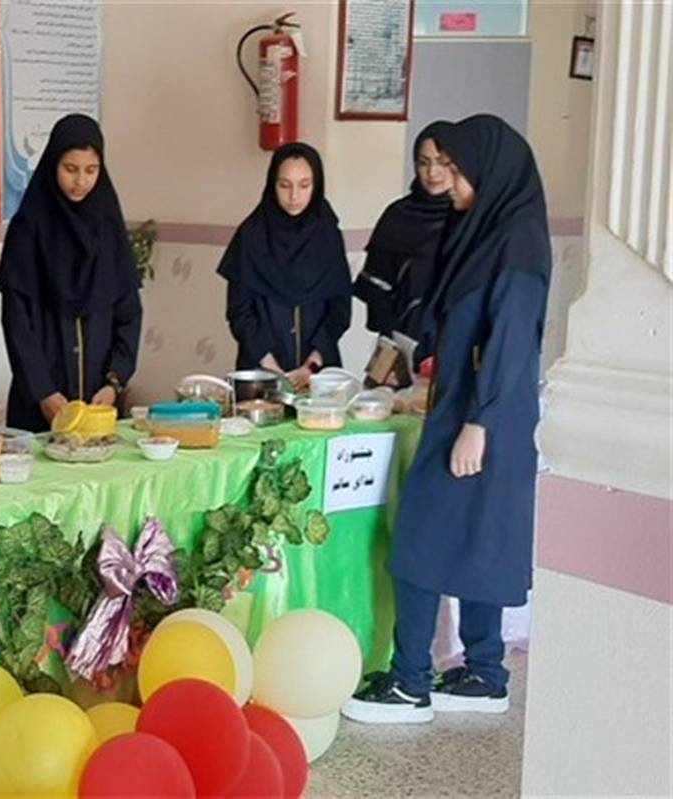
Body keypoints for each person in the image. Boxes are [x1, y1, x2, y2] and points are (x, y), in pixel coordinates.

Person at [342, 114, 552, 724]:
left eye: (458, 172)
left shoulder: (516, 242)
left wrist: (477, 425)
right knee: (479, 541)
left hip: (483, 419)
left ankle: (410, 683)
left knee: (419, 539)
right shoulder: (488, 231)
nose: (448, 183)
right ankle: (485, 673)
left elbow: (510, 340)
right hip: (470, 409)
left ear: (490, 172)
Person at [0, 113, 142, 432]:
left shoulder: (109, 231)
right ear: (53, 165)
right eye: (70, 169)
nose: (81, 181)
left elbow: (129, 313)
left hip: (99, 402)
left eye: (91, 170)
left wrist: (115, 381)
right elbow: (16, 322)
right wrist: (44, 392)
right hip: (40, 404)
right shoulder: (28, 230)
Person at [218, 142, 351, 390]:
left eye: (304, 185)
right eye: (284, 185)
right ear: (272, 184)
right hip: (260, 372)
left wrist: (311, 366)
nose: (294, 196)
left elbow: (340, 310)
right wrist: (273, 369)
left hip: (319, 372)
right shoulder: (251, 236)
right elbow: (240, 312)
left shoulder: (328, 236)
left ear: (317, 185)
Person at [355, 122, 453, 342]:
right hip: (402, 339)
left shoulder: (469, 218)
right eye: (424, 163)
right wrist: (394, 336)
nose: (432, 172)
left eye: (442, 163)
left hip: (455, 342)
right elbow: (375, 285)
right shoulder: (398, 214)